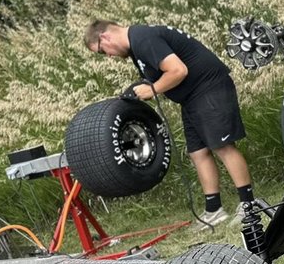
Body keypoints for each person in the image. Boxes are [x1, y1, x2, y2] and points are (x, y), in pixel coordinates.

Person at [84, 20, 257, 229]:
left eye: (103, 51)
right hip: (191, 98)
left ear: (105, 37)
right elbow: (159, 73)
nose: (109, 56)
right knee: (198, 152)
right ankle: (214, 210)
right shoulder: (136, 48)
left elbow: (178, 70)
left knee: (223, 147)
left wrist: (153, 89)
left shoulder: (142, 38)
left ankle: (250, 205)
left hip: (209, 88)